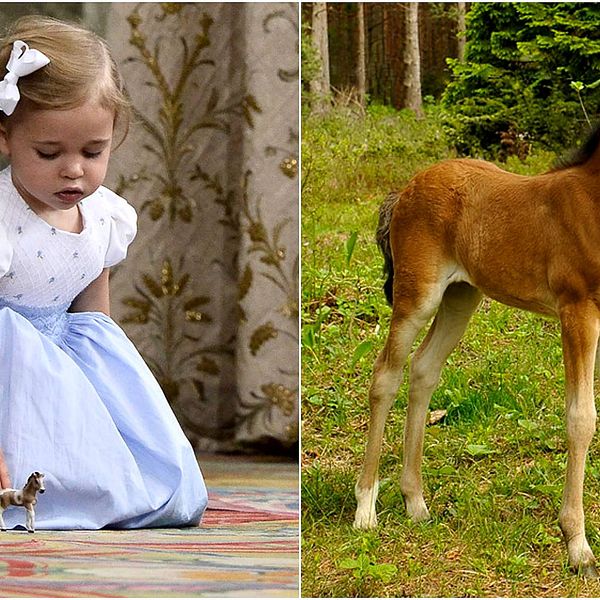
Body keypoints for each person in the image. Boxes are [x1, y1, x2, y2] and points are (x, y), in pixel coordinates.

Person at [0, 15, 207, 529]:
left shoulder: (105, 216)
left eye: (94, 152)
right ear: (5, 137)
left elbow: (95, 311)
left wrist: (110, 391)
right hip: (9, 370)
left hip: (66, 362)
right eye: (49, 153)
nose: (74, 169)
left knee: (153, 480)